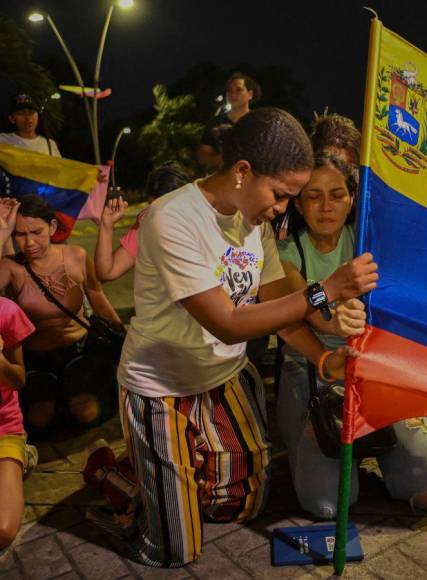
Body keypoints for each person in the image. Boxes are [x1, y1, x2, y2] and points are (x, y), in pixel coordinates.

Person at [82, 108, 378, 568]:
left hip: (223, 375)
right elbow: (228, 321)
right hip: (162, 385)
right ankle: (122, 477)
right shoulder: (171, 219)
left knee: (241, 505)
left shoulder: (252, 219)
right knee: (175, 551)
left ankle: (177, 466)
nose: (282, 209)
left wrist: (324, 351)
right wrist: (327, 289)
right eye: (281, 195)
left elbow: (279, 297)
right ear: (242, 172)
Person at [277, 153, 427, 519]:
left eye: (337, 194)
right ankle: (337, 458)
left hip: (371, 365)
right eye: (314, 195)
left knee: (426, 488)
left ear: (353, 198)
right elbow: (304, 307)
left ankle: (374, 448)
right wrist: (332, 314)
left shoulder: (368, 240)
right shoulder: (287, 252)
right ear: (299, 203)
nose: (326, 206)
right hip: (312, 367)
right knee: (328, 505)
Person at [0, 195, 123, 440]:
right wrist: (3, 231)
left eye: (36, 231)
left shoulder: (76, 256)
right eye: (20, 234)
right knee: (40, 420)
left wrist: (124, 338)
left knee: (87, 413)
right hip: (37, 358)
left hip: (80, 350)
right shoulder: (11, 268)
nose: (29, 242)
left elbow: (98, 297)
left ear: (53, 228)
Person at [0, 198, 36, 552]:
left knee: (3, 529)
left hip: (4, 428)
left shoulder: (6, 312)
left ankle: (22, 454)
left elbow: (18, 380)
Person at [95, 162, 189, 281]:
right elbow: (106, 273)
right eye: (153, 208)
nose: (159, 217)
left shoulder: (206, 218)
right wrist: (106, 225)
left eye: (167, 210)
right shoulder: (147, 223)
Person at [197, 72, 260, 170]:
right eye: (229, 91)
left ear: (250, 94)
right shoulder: (216, 123)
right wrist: (223, 161)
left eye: (239, 90)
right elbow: (203, 154)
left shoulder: (259, 122)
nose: (233, 94)